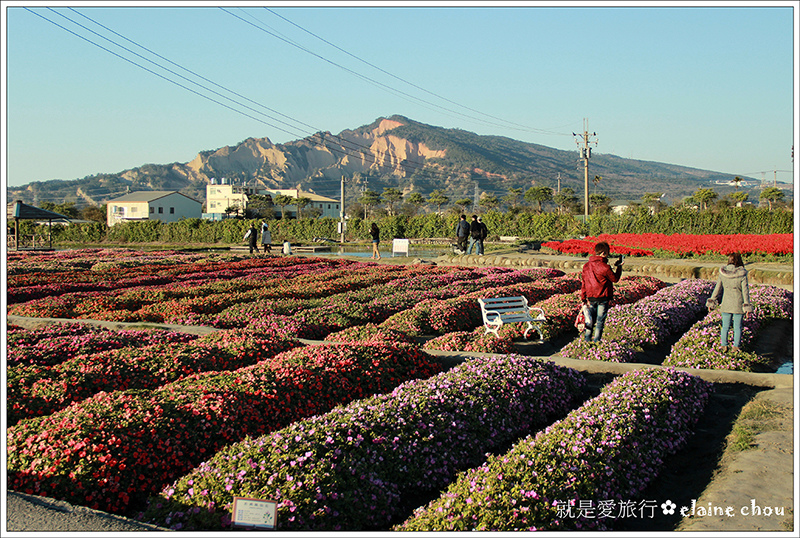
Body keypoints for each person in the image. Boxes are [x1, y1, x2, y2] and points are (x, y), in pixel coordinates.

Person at [706, 252, 753, 352]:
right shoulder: (742, 274)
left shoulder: (723, 273)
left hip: (726, 303)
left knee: (725, 327)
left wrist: (711, 302)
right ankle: (736, 347)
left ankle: (724, 346)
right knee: (737, 327)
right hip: (738, 304)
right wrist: (747, 307)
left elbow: (717, 289)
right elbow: (745, 292)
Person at [580, 241, 623, 342]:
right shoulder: (605, 267)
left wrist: (583, 298)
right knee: (599, 322)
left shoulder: (586, 266)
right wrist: (619, 267)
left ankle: (586, 340)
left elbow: (584, 283)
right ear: (603, 253)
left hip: (591, 297)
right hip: (603, 297)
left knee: (589, 321)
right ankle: (596, 341)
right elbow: (615, 279)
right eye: (608, 252)